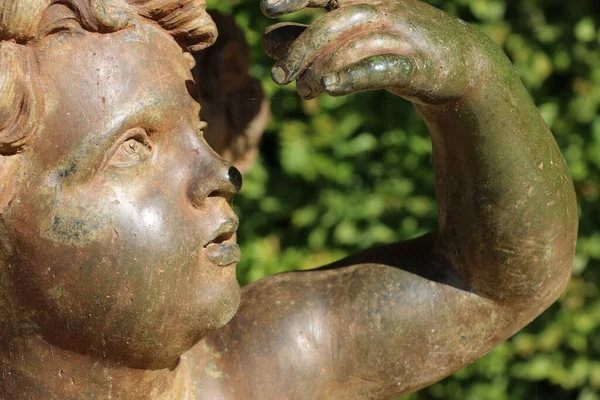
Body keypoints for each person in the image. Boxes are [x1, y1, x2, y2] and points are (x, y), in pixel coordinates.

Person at [0, 0, 577, 398]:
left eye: (198, 130)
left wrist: (473, 80)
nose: (217, 170)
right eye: (133, 148)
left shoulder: (258, 369)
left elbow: (493, 281)